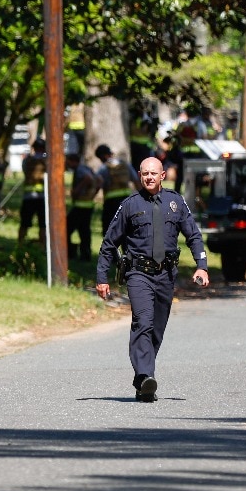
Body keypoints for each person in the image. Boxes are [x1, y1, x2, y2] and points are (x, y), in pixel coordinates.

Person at [96, 155, 210, 402]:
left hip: (166, 275)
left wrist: (202, 265)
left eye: (153, 173)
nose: (149, 177)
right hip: (138, 274)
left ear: (162, 175)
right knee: (143, 322)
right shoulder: (130, 205)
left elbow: (194, 236)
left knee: (157, 329)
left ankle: (142, 382)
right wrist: (101, 277)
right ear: (140, 175)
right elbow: (108, 243)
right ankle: (146, 374)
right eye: (144, 173)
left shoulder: (175, 202)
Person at [95, 144, 138, 236]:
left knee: (109, 230)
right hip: (127, 200)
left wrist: (92, 195)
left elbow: (98, 183)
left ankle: (111, 250)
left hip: (111, 202)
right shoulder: (125, 164)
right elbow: (136, 180)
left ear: (103, 156)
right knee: (127, 229)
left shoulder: (103, 168)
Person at [67, 151, 98, 261]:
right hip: (88, 206)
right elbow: (99, 180)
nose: (68, 164)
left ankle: (70, 252)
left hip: (80, 206)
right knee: (84, 231)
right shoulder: (86, 168)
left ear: (73, 161)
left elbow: (88, 179)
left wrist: (77, 190)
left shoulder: (80, 170)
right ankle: (86, 255)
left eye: (68, 162)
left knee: (66, 229)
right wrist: (93, 194)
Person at [17, 139, 48, 244]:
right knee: (43, 224)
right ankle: (43, 245)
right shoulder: (47, 161)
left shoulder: (27, 160)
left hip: (28, 197)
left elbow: (24, 170)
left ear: (33, 148)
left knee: (24, 223)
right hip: (43, 197)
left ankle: (20, 244)